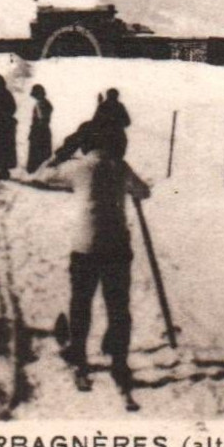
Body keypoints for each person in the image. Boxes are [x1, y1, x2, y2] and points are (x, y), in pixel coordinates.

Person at [43, 127, 151, 388]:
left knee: (81, 303)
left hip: (86, 247)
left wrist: (59, 157)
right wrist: (130, 190)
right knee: (118, 307)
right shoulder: (120, 166)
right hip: (117, 247)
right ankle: (119, 363)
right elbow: (144, 191)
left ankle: (79, 355)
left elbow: (44, 175)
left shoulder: (78, 168)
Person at [91, 88, 131, 159]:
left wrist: (116, 121)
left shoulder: (119, 106)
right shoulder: (103, 106)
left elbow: (127, 121)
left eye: (114, 96)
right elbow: (96, 120)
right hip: (106, 131)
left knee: (122, 142)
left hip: (116, 132)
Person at [26, 84, 54, 173]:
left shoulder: (41, 104)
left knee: (37, 154)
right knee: (42, 154)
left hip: (39, 132)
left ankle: (35, 173)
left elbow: (42, 119)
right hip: (42, 131)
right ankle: (38, 173)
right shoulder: (44, 103)